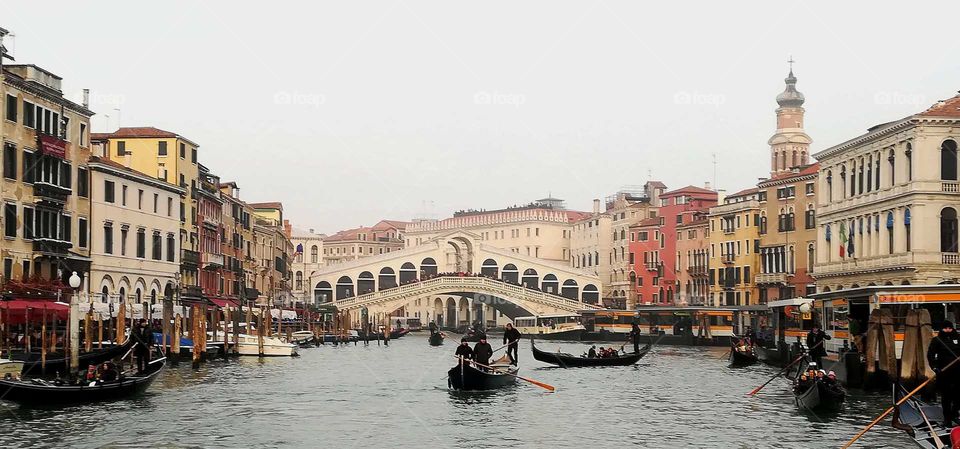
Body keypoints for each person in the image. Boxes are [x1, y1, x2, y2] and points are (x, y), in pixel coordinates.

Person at [927, 320, 960, 427]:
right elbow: (930, 355)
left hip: (958, 372)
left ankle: (955, 414)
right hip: (944, 372)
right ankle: (947, 420)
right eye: (945, 328)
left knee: (958, 396)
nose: (948, 330)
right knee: (946, 397)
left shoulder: (958, 338)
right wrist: (935, 367)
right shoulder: (937, 340)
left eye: (949, 328)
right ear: (942, 329)